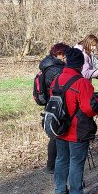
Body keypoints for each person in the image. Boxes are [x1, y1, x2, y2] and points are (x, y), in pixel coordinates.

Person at [53, 46, 98, 194]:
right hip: (76, 129)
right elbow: (89, 109)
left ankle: (60, 189)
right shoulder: (82, 82)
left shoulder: (57, 79)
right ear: (81, 65)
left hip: (59, 126)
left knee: (61, 158)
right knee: (76, 160)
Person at [38, 43, 68, 172]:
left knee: (55, 134)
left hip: (51, 103)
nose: (66, 58)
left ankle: (53, 164)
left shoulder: (49, 65)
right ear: (59, 54)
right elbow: (61, 87)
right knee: (56, 134)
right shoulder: (55, 69)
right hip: (56, 103)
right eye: (65, 55)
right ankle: (51, 165)